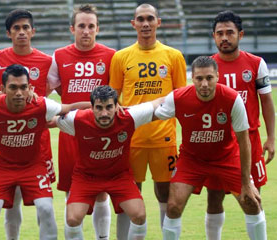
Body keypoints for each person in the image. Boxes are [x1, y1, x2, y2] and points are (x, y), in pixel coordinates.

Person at [0, 64, 90, 240]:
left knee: (45, 208)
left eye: (23, 87)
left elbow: (69, 107)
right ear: (3, 89)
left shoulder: (41, 105)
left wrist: (102, 104)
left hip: (33, 166)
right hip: (1, 167)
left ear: (30, 88)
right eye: (13, 87)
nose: (19, 93)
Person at [156, 56, 266, 240]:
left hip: (227, 157)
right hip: (192, 159)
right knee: (173, 205)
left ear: (217, 76)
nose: (204, 84)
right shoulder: (179, 98)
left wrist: (246, 183)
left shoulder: (232, 98)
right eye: (199, 78)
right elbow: (152, 114)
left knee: (251, 202)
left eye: (209, 78)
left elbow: (243, 139)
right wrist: (125, 112)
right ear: (192, 78)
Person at [109, 3, 187, 235]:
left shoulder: (173, 56)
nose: (145, 23)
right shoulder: (120, 57)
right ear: (133, 23)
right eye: (140, 19)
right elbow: (114, 100)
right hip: (131, 139)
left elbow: (182, 99)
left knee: (165, 195)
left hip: (164, 139)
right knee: (129, 196)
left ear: (158, 22)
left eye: (150, 19)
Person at [52, 85, 164, 240]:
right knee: (72, 219)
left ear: (117, 106)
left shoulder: (129, 116)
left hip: (119, 177)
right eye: (98, 108)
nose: (104, 113)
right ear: (91, 108)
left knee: (139, 216)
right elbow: (47, 120)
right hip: (86, 178)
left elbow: (159, 102)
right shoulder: (77, 119)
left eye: (109, 107)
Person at [0, 9, 54, 239]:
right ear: (9, 33)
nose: (21, 32)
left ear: (33, 31)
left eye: (25, 28)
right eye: (16, 28)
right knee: (11, 203)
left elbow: (52, 95)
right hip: (9, 141)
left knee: (43, 204)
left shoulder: (47, 61)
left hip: (38, 144)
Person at [204, 10, 275, 239]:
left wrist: (271, 137)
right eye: (220, 33)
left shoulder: (256, 63)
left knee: (252, 198)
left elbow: (267, 103)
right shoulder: (207, 68)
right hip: (217, 142)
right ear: (213, 36)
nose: (225, 37)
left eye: (230, 33)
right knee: (214, 197)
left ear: (240, 34)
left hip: (250, 140)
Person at [47, 4, 116, 239]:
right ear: (72, 29)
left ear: (98, 29)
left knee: (101, 193)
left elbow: (117, 96)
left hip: (102, 134)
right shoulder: (59, 56)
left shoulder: (110, 56)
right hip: (70, 133)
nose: (86, 31)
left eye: (90, 26)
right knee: (70, 190)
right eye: (81, 26)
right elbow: (51, 89)